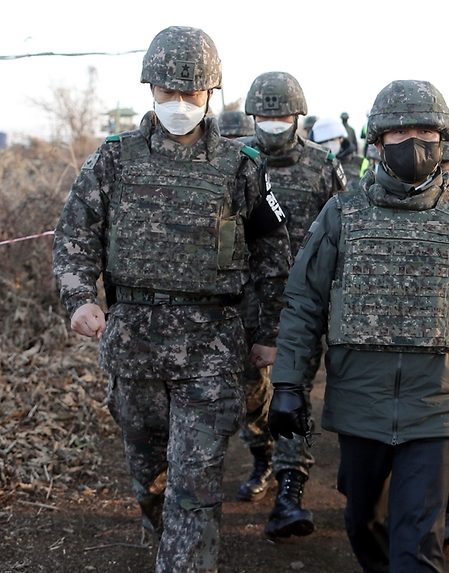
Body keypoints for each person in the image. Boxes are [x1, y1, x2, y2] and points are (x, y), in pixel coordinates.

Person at [52, 26, 292, 573]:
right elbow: (75, 237)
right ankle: (161, 529)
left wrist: (268, 330)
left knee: (195, 484)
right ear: (150, 90)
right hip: (134, 348)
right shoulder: (112, 161)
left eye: (191, 93)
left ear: (212, 94)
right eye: (168, 92)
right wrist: (78, 298)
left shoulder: (242, 167)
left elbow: (273, 254)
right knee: (151, 478)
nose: (179, 104)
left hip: (211, 346)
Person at [267, 79, 449, 573]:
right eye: (399, 132)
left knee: (416, 541)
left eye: (425, 132)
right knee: (363, 522)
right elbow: (305, 300)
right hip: (358, 401)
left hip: (436, 405)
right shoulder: (343, 214)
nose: (413, 143)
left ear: (443, 139)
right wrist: (288, 383)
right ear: (378, 141)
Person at [238, 71, 346, 538]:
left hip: (300, 307)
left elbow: (346, 233)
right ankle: (262, 453)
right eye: (265, 115)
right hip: (243, 305)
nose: (273, 123)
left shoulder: (323, 168)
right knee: (250, 397)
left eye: (282, 115)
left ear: (297, 116)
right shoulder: (234, 160)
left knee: (292, 392)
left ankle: (289, 489)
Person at [311, 116, 367, 192]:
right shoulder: (311, 165)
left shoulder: (361, 162)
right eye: (323, 142)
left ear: (341, 138)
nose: (328, 144)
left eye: (332, 140)